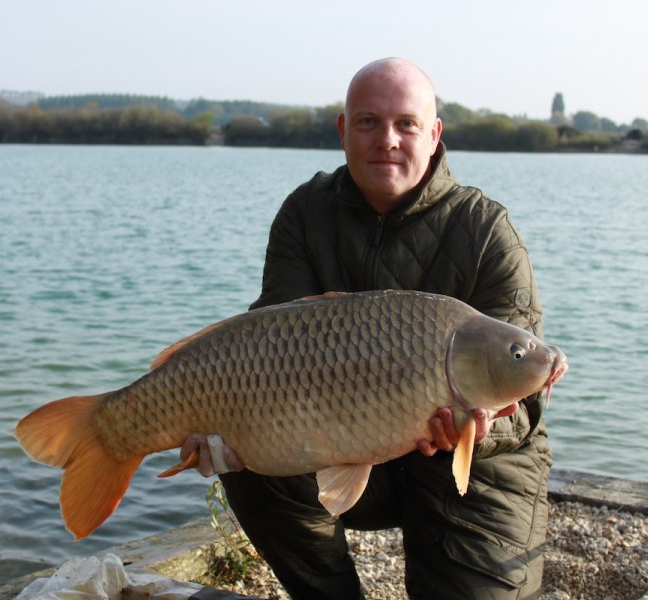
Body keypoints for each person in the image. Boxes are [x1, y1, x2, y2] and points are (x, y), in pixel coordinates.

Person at [183, 57, 549, 599]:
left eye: (406, 123)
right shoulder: (306, 214)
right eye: (368, 122)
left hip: (476, 474)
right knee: (251, 459)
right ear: (342, 130)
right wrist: (222, 423)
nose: (388, 140)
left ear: (434, 133)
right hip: (348, 445)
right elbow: (266, 358)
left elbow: (528, 403)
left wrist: (479, 429)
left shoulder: (486, 232)